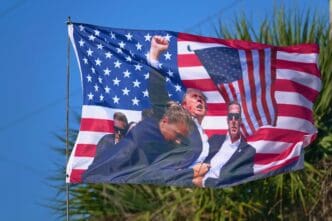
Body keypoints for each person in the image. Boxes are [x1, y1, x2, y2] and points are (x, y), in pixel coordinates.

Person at [82, 103, 195, 183]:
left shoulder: (165, 147)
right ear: (164, 121)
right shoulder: (133, 146)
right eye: (177, 135)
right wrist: (191, 174)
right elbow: (93, 177)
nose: (178, 140)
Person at [148, 36, 210, 169]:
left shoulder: (203, 135)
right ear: (184, 105)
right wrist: (155, 55)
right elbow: (157, 94)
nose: (200, 100)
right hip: (171, 182)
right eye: (194, 97)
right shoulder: (178, 121)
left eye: (202, 98)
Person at [192, 101, 256, 188]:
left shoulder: (248, 151)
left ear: (240, 121)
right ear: (227, 120)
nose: (233, 121)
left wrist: (204, 182)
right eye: (230, 117)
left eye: (236, 117)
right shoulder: (214, 140)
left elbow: (236, 179)